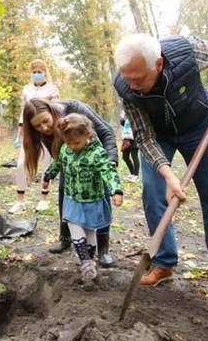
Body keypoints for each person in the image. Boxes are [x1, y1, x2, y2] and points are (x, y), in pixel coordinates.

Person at [114, 33, 208, 294]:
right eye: (128, 78)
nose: (133, 85)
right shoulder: (125, 86)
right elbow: (144, 136)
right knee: (152, 192)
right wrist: (168, 175)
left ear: (159, 64)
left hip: (199, 127)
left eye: (139, 78)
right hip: (158, 135)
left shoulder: (186, 51)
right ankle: (163, 263)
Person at [22, 98, 118, 267]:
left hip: (94, 159)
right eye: (37, 126)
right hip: (71, 160)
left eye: (45, 121)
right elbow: (57, 157)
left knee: (99, 205)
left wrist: (110, 161)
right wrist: (49, 175)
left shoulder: (76, 110)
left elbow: (107, 133)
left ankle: (103, 250)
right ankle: (66, 239)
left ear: (52, 111)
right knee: (66, 196)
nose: (44, 128)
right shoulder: (45, 133)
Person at [43, 114, 123, 283]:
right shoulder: (66, 149)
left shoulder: (97, 153)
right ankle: (86, 262)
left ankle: (89, 261)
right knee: (73, 224)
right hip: (71, 198)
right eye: (68, 143)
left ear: (88, 135)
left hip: (92, 199)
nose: (72, 147)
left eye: (76, 143)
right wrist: (48, 175)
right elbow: (58, 162)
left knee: (90, 230)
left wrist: (116, 190)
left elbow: (108, 172)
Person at [9, 59, 60, 214]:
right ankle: (20, 200)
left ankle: (43, 199)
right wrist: (20, 132)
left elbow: (57, 111)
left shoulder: (52, 89)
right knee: (20, 164)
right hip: (30, 132)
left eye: (40, 71)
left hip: (46, 131)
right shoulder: (27, 89)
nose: (37, 74)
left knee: (46, 164)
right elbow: (23, 112)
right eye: (34, 72)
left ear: (45, 72)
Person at [120, 117, 139, 182]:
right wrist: (122, 119)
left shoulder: (136, 113)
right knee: (125, 157)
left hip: (134, 139)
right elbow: (122, 123)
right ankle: (132, 173)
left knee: (134, 157)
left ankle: (136, 176)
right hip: (126, 139)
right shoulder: (126, 113)